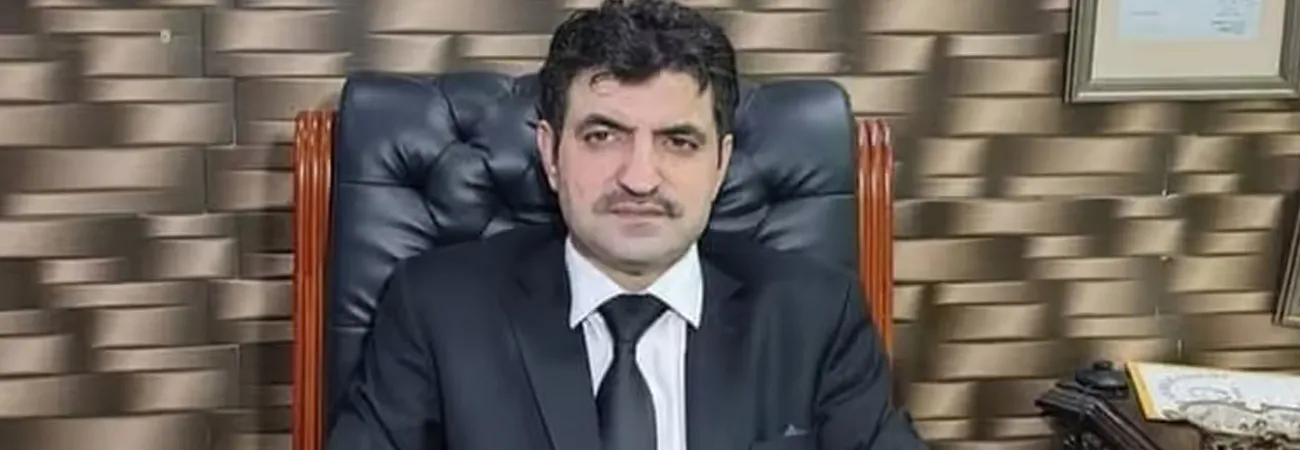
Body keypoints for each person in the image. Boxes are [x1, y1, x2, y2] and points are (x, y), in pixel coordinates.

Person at [326, 0, 926, 449]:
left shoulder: (816, 315)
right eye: (603, 136)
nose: (640, 178)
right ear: (550, 154)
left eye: (679, 141)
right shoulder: (435, 308)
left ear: (720, 165)